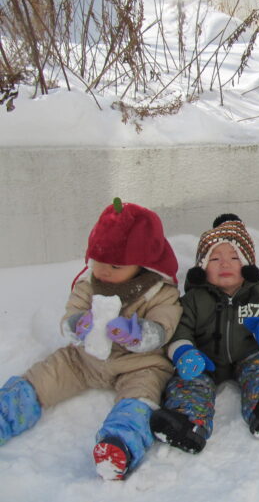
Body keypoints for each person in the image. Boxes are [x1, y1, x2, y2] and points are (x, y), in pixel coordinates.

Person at [0, 198, 182, 480]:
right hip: (84, 359)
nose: (104, 270)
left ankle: (119, 445)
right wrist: (78, 324)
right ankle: (7, 412)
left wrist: (139, 333)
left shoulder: (159, 291)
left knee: (142, 396)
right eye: (99, 261)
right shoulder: (90, 284)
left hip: (139, 364)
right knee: (45, 374)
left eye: (115, 265)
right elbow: (72, 311)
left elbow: (165, 325)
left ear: (142, 264)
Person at [150, 214, 259, 453]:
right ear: (202, 268)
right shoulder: (193, 299)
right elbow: (180, 327)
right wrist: (184, 352)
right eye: (214, 259)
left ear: (247, 265)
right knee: (189, 384)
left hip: (249, 354)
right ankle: (187, 426)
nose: (225, 264)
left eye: (234, 258)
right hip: (203, 359)